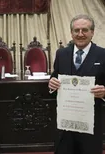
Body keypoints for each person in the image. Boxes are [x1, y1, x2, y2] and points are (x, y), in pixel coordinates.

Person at [48, 14, 105, 154]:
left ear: (92, 32)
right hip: (65, 125)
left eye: (85, 30)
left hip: (91, 124)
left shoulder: (103, 54)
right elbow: (55, 78)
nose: (80, 34)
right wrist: (51, 84)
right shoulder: (61, 53)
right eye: (76, 30)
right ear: (71, 33)